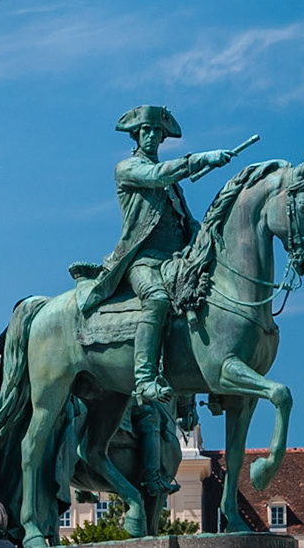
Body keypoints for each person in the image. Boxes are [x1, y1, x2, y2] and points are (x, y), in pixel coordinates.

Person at [75, 106, 239, 409]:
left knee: (209, 297)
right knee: (158, 300)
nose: (151, 136)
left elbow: (186, 221)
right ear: (136, 135)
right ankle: (145, 378)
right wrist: (201, 159)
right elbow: (156, 174)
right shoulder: (128, 168)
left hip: (176, 260)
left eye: (157, 132)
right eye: (146, 131)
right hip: (144, 259)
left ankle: (214, 375)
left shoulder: (172, 187)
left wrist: (212, 240)